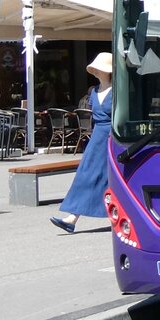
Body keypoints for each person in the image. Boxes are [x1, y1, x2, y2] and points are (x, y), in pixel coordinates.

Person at [51, 52, 112, 234]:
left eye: (100, 68)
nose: (96, 71)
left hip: (112, 138)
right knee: (86, 175)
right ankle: (72, 217)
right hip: (97, 138)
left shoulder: (117, 91)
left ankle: (116, 216)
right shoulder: (93, 91)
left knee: (112, 179)